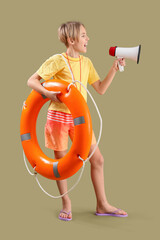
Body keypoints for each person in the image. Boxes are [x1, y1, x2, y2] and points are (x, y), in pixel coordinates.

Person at [27, 21, 128, 221]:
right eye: (83, 35)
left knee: (98, 159)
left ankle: (102, 204)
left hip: (79, 121)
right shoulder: (57, 61)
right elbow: (31, 81)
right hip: (58, 119)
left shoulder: (87, 63)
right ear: (71, 40)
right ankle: (66, 203)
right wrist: (47, 93)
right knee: (62, 164)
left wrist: (114, 69)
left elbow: (100, 88)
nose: (87, 38)